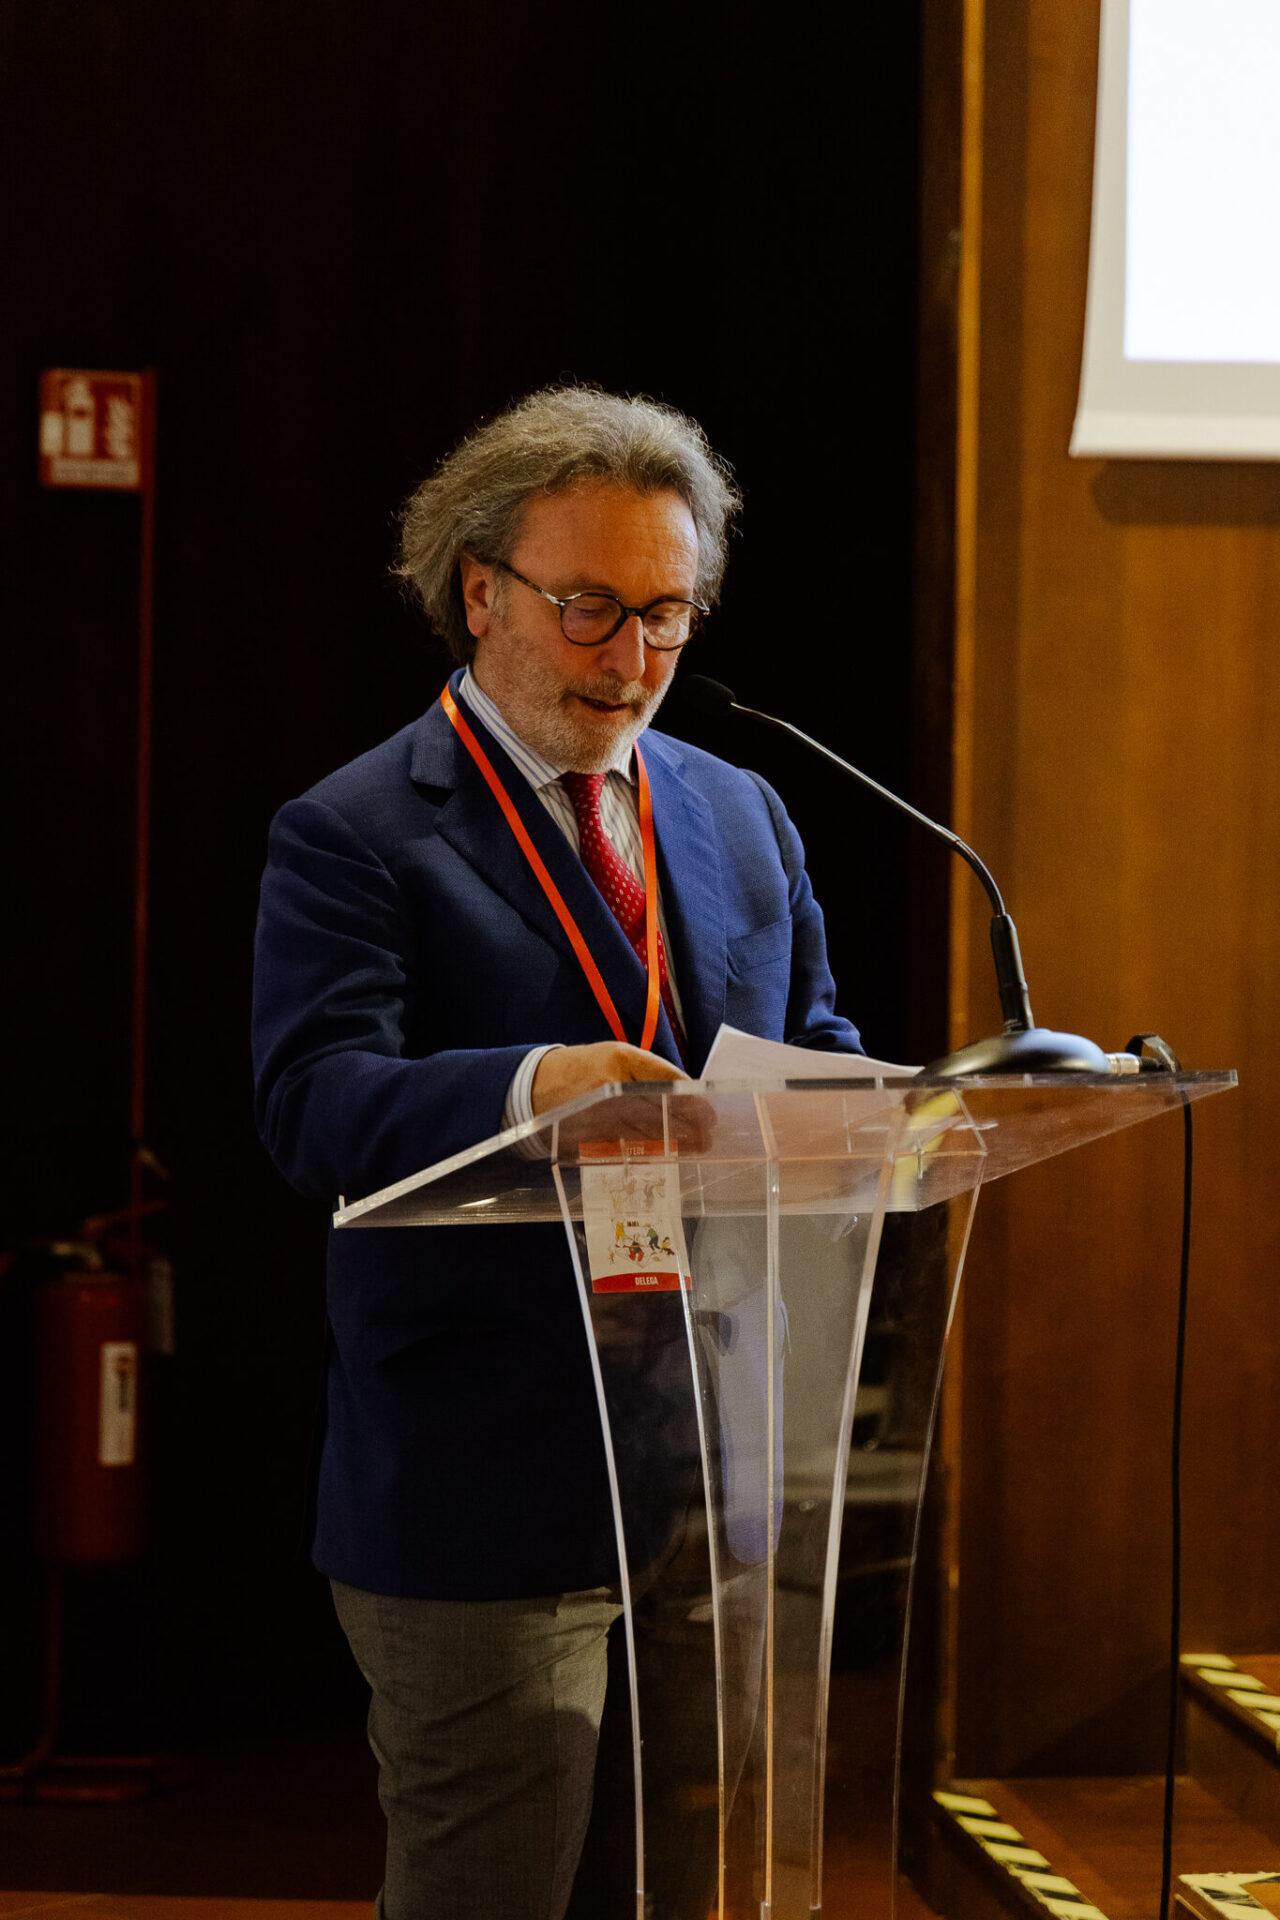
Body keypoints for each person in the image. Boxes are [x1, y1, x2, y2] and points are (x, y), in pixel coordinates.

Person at [252, 385, 862, 1919]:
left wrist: (877, 1113)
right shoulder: (358, 830)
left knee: (681, 1892)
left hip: (711, 1471)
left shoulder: (743, 814)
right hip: (486, 1480)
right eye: (591, 606)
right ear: (481, 591)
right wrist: (537, 1085)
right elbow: (312, 1104)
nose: (633, 657)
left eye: (668, 614)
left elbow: (815, 1043)